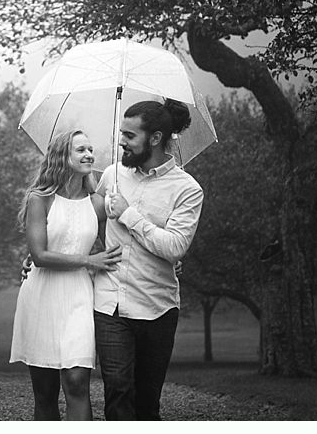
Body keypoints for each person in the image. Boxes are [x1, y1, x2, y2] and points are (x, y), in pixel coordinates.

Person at [93, 98, 205, 420]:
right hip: (110, 302)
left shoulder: (187, 189)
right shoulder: (112, 174)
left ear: (155, 138)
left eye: (130, 135)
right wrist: (42, 254)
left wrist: (128, 214)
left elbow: (174, 248)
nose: (121, 141)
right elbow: (84, 221)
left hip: (157, 307)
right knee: (117, 388)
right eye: (121, 133)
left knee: (146, 401)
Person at [9, 129, 123, 420]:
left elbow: (119, 246)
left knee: (76, 382)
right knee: (45, 391)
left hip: (78, 297)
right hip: (41, 296)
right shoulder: (40, 198)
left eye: (90, 149)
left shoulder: (97, 203)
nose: (89, 155)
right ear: (63, 156)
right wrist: (88, 259)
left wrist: (167, 262)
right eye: (81, 150)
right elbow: (40, 256)